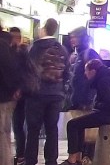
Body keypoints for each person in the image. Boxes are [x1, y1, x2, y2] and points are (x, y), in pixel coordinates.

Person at [60, 59, 110, 165]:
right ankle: (78, 158)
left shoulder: (103, 80)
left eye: (86, 71)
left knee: (72, 124)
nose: (85, 74)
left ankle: (72, 158)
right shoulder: (107, 75)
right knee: (79, 124)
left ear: (93, 70)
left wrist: (97, 106)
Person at [24, 18, 68, 165]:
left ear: (44, 29)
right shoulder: (62, 49)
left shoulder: (34, 48)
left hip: (36, 95)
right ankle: (51, 160)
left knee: (33, 129)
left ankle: (30, 160)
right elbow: (68, 72)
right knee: (52, 128)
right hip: (56, 95)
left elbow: (27, 71)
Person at [1, 26, 29, 165]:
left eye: (18, 37)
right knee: (9, 128)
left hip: (18, 95)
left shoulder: (23, 52)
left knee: (17, 126)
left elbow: (27, 73)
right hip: (11, 94)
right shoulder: (8, 50)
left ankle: (20, 154)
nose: (16, 40)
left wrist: (19, 89)